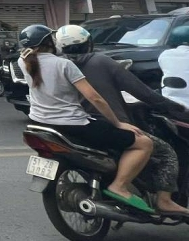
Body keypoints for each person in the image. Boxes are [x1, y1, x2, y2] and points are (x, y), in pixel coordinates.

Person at [19, 24, 154, 214]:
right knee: (144, 143)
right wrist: (118, 123)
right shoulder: (64, 65)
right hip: (73, 125)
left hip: (40, 123)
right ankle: (119, 186)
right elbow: (95, 98)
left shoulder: (23, 62)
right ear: (49, 42)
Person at [56, 24, 189, 216]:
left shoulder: (60, 65)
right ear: (88, 43)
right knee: (166, 153)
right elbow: (141, 92)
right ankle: (164, 201)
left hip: (76, 124)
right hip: (108, 124)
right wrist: (175, 108)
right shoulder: (100, 61)